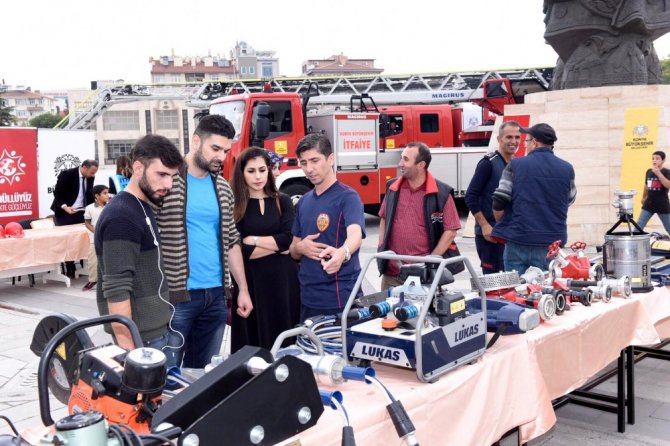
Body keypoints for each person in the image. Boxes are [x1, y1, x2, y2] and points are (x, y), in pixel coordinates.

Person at [156, 115, 253, 369]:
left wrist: (241, 288)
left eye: (226, 150)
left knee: (202, 377)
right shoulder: (168, 182)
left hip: (217, 297)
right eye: (215, 149)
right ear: (196, 141)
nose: (221, 157)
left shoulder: (222, 187)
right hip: (177, 297)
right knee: (166, 376)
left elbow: (232, 240)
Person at [95, 135, 183, 352]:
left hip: (157, 330)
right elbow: (117, 289)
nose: (168, 185)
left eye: (172, 176)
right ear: (138, 167)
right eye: (161, 174)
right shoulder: (122, 216)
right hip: (142, 340)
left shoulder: (142, 206)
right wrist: (133, 356)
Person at [230, 147, 300, 352]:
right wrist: (274, 246)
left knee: (285, 345)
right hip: (251, 283)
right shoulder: (234, 205)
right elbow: (239, 250)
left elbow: (287, 240)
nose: (258, 176)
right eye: (251, 171)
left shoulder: (283, 200)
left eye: (262, 169)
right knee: (252, 348)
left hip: (284, 283)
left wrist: (253, 240)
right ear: (241, 173)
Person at [289, 133, 365, 321]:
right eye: (304, 163)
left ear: (330, 159)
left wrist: (343, 253)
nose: (309, 169)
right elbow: (293, 250)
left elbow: (355, 234)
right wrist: (300, 248)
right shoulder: (303, 201)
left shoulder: (348, 197)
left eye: (315, 160)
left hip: (340, 298)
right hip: (307, 298)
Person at [492, 123, 576, 273]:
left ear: (535, 142)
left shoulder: (515, 164)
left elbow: (500, 199)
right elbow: (569, 199)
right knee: (547, 289)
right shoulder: (567, 168)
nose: (525, 145)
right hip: (551, 243)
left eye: (526, 141)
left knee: (516, 290)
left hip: (518, 239)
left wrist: (503, 221)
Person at [377, 142, 462, 290]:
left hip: (423, 277)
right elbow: (384, 217)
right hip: (392, 274)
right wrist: (381, 247)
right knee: (388, 313)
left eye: (405, 159)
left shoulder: (440, 192)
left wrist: (431, 261)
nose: (400, 163)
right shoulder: (393, 187)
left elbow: (451, 230)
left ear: (421, 165)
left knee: (424, 314)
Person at [465, 121, 521, 274]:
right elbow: (470, 196)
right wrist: (484, 225)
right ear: (499, 139)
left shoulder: (518, 165)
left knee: (512, 283)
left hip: (510, 236)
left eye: (517, 137)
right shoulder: (487, 164)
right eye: (509, 137)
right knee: (493, 286)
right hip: (490, 237)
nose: (513, 141)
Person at [50, 159, 99, 278]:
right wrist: (65, 207)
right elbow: (58, 193)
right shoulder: (67, 174)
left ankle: (84, 265)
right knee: (68, 241)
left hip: (81, 211)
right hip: (65, 211)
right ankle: (69, 267)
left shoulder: (90, 177)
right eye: (92, 172)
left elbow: (89, 194)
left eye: (94, 173)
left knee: (83, 238)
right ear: (84, 168)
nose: (93, 175)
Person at [82, 185, 109, 291]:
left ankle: (108, 282)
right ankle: (93, 280)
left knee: (109, 260)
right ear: (97, 196)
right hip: (95, 239)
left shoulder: (111, 206)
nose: (108, 195)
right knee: (93, 261)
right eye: (105, 193)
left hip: (109, 239)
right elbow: (87, 223)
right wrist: (96, 232)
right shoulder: (89, 208)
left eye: (108, 193)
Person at [637, 150, 670, 234]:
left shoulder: (667, 172)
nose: (654, 160)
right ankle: (634, 246)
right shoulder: (649, 171)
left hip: (662, 204)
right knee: (639, 226)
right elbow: (646, 186)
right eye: (653, 158)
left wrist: (659, 174)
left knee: (668, 227)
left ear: (663, 160)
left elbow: (668, 185)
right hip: (649, 204)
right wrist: (643, 197)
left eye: (657, 158)